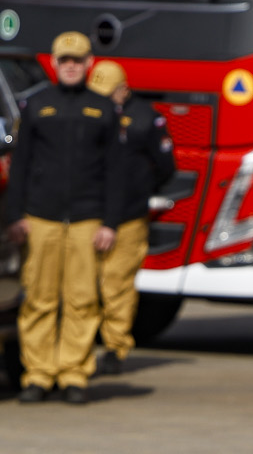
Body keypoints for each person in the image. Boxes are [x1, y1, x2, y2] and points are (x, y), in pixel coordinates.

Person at [7, 30, 116, 404]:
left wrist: (110, 223)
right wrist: (15, 216)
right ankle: (37, 375)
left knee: (83, 299)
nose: (71, 66)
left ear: (89, 64)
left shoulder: (103, 109)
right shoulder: (36, 105)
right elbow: (20, 166)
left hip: (87, 219)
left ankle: (74, 375)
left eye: (78, 60)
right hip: (40, 218)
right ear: (54, 64)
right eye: (64, 60)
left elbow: (115, 172)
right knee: (38, 298)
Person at [88, 60, 176, 375]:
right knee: (85, 283)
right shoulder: (90, 115)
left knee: (117, 284)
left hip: (129, 215)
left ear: (124, 90)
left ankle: (115, 346)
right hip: (90, 214)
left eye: (107, 94)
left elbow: (166, 165)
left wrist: (140, 191)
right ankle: (82, 347)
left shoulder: (145, 119)